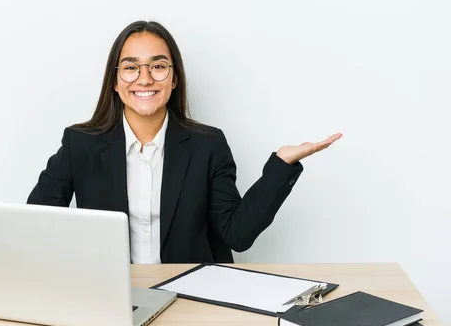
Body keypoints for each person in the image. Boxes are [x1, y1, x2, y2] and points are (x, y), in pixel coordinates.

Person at [27, 20, 341, 264]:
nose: (145, 78)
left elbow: (238, 234)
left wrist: (281, 166)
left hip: (190, 296)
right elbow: (36, 225)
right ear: (115, 80)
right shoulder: (80, 144)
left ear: (174, 79)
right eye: (131, 67)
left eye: (159, 66)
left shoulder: (208, 145)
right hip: (109, 295)